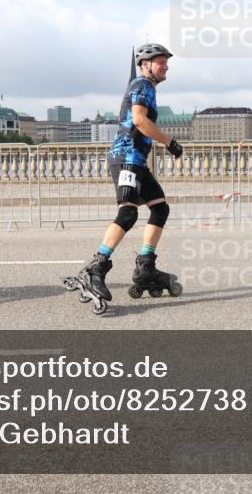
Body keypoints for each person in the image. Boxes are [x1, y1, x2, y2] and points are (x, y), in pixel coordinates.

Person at [63, 43, 184, 314]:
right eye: (160, 62)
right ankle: (96, 267)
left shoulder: (146, 87)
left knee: (160, 208)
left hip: (137, 161)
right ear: (145, 65)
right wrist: (170, 142)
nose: (166, 66)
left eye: (166, 62)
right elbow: (140, 121)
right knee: (128, 214)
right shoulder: (141, 85)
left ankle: (146, 267)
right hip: (126, 158)